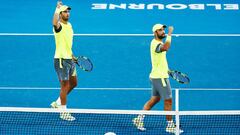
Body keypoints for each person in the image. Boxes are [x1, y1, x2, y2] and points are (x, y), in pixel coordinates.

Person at [133, 24, 183, 134]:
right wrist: (170, 34)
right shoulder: (156, 44)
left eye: (163, 30)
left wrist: (167, 69)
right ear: (155, 33)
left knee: (155, 99)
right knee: (168, 100)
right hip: (160, 78)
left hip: (156, 76)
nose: (163, 31)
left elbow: (160, 60)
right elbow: (166, 47)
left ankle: (139, 119)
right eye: (160, 30)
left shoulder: (156, 43)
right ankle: (170, 126)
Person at [50, 1, 77, 121]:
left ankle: (57, 103)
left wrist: (72, 55)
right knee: (65, 86)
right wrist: (57, 9)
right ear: (60, 14)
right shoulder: (58, 26)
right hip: (61, 60)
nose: (67, 13)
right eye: (65, 12)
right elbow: (54, 22)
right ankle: (63, 112)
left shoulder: (69, 25)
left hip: (69, 58)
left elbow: (67, 43)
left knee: (74, 83)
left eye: (68, 11)